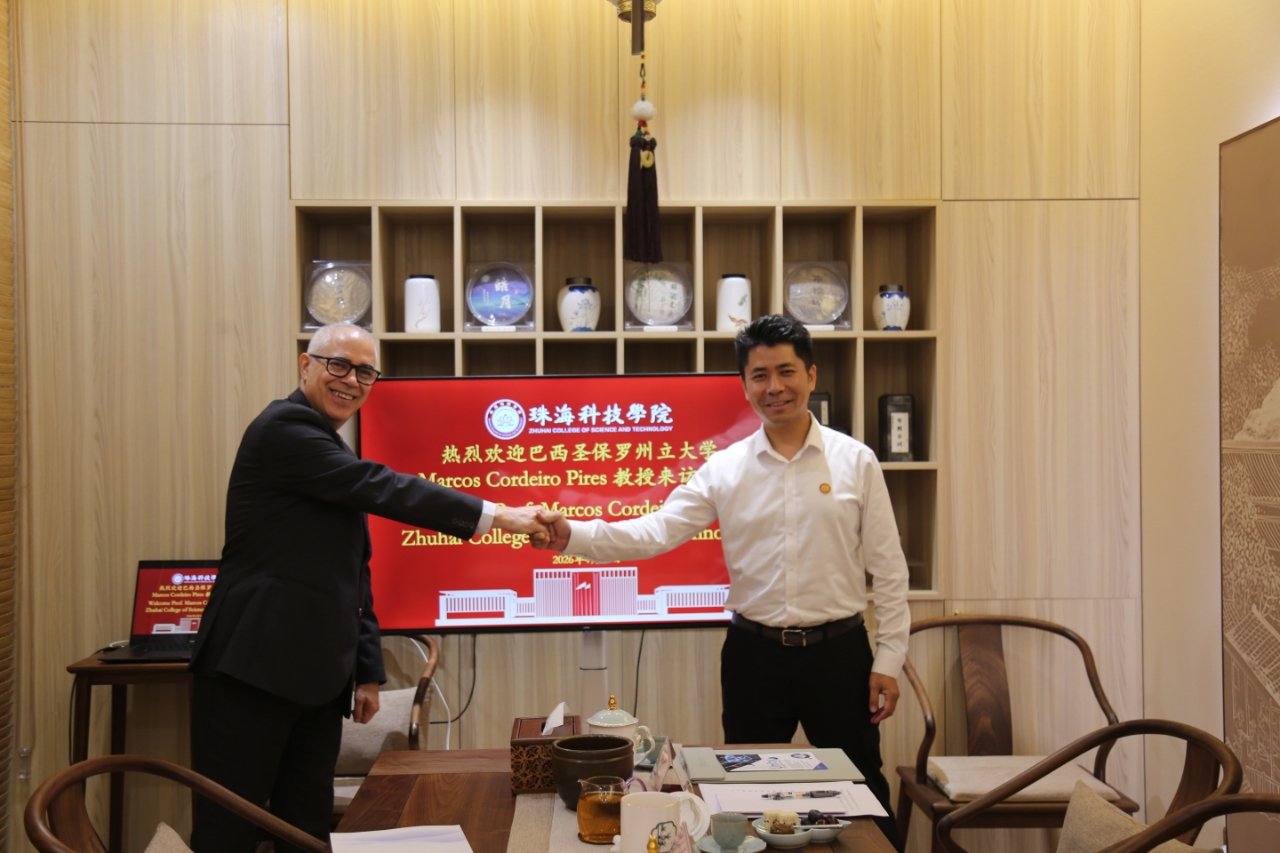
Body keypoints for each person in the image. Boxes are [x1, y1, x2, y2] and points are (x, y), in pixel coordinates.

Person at [537, 314, 910, 847]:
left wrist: (889, 658)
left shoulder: (856, 461)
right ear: (744, 385)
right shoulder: (725, 468)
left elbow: (889, 568)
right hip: (754, 657)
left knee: (861, 790)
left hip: (840, 654)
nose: (774, 387)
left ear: (811, 374)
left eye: (786, 372)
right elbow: (655, 531)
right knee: (743, 797)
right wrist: (571, 534)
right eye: (760, 375)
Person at [189, 322, 550, 852]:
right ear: (305, 365)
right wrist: (500, 516)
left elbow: (352, 572)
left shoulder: (330, 448)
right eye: (338, 365)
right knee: (228, 831)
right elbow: (384, 487)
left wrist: (366, 671)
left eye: (365, 372)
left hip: (315, 681)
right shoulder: (284, 429)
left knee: (306, 828)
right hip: (251, 672)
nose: (351, 381)